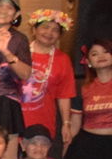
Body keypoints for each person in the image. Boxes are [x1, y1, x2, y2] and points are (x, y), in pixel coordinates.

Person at [0, 0, 32, 155]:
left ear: (16, 14)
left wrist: (6, 52)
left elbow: (26, 74)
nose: (3, 10)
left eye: (9, 7)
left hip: (6, 104)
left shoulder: (20, 39)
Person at [21, 9, 76, 147]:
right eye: (45, 27)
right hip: (16, 120)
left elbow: (65, 95)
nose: (49, 33)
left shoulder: (63, 59)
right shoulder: (20, 53)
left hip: (44, 122)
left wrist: (66, 124)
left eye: (55, 30)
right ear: (34, 30)